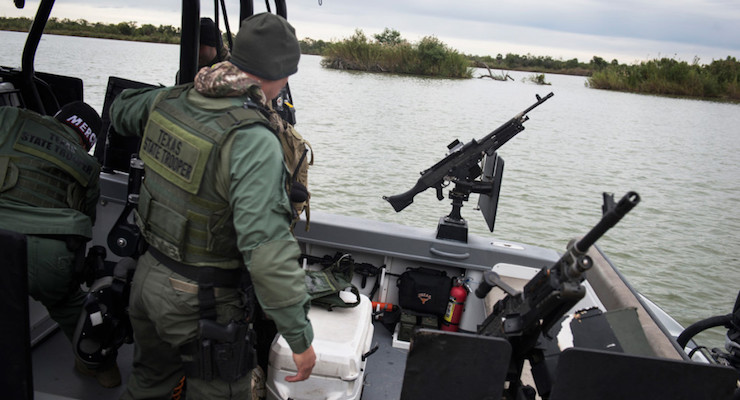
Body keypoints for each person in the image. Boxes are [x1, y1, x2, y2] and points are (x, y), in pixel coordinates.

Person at [110, 12, 315, 399]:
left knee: (149, 383)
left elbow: (121, 111)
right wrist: (299, 339)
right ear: (280, 72)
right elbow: (266, 250)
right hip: (199, 301)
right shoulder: (252, 139)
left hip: (146, 279)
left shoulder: (171, 98)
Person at [0, 101, 121, 387]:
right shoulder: (89, 166)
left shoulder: (13, 117)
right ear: (88, 142)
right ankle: (102, 370)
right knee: (71, 306)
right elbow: (87, 221)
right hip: (50, 258)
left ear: (56, 118)